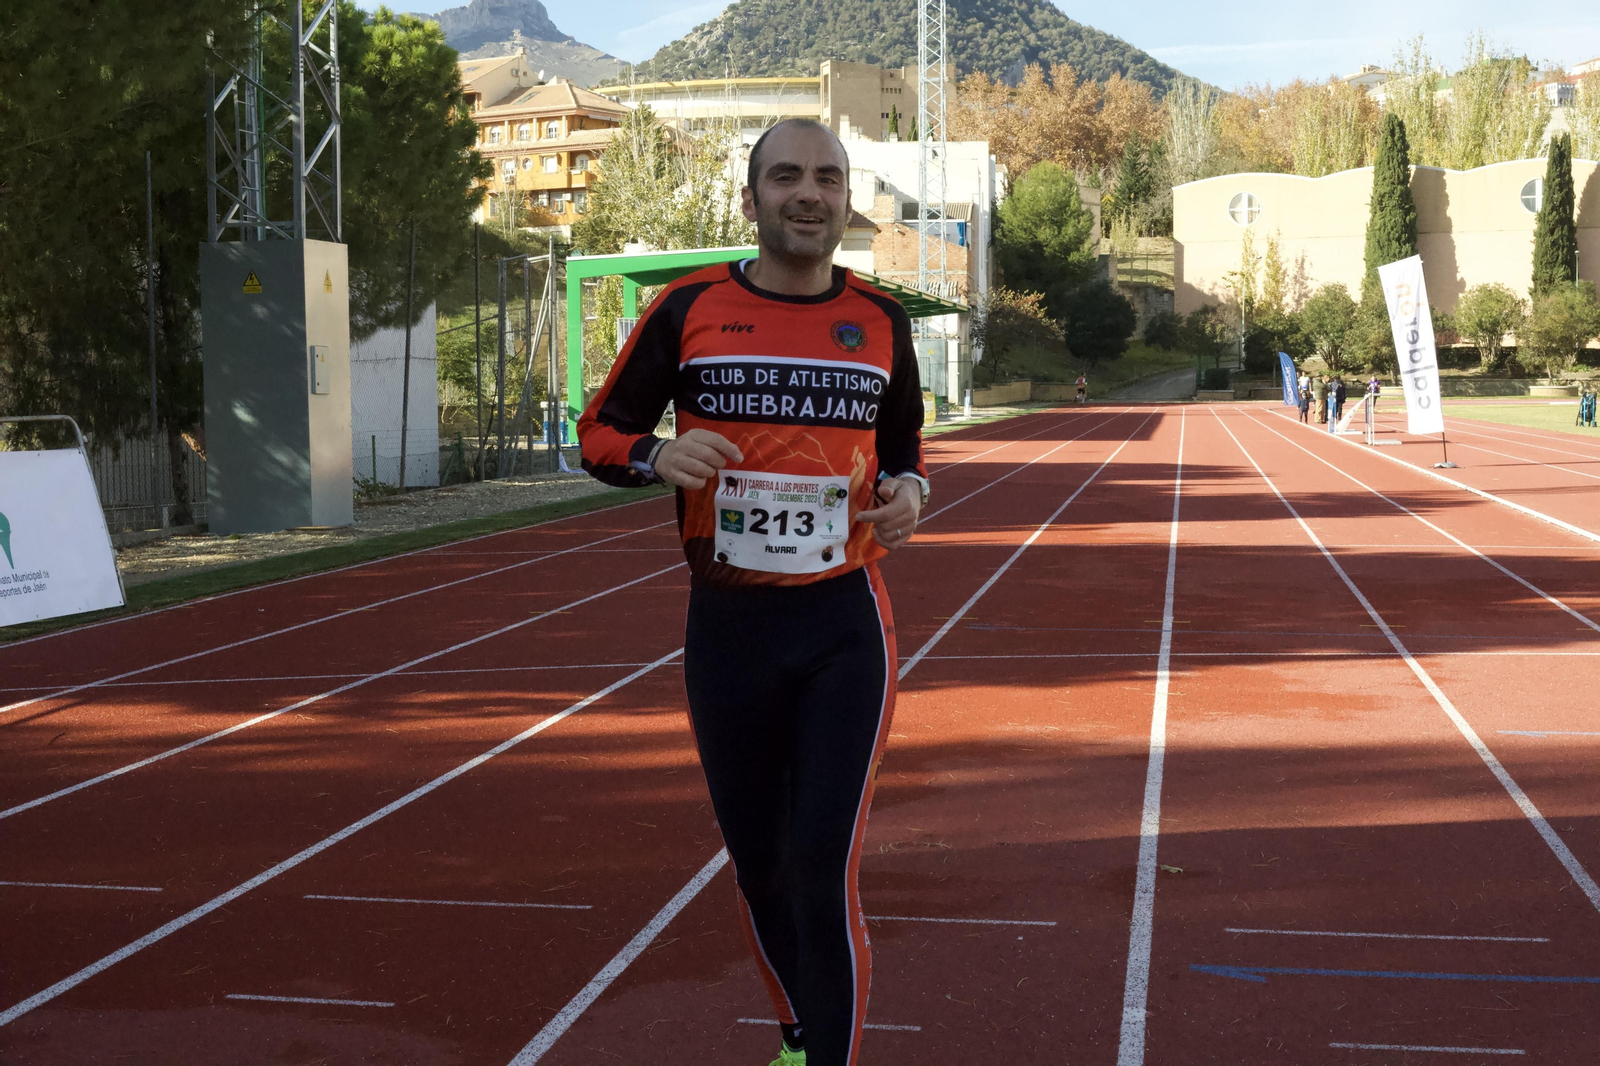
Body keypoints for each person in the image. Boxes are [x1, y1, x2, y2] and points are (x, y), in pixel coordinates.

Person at [577, 118, 928, 1066]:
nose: (808, 193)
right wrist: (656, 455)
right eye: (786, 177)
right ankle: (798, 1035)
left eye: (828, 178)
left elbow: (902, 442)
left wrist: (910, 491)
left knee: (822, 866)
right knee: (762, 864)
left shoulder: (881, 320)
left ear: (846, 202)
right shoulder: (687, 307)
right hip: (728, 628)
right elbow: (599, 432)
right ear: (751, 199)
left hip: (842, 623)